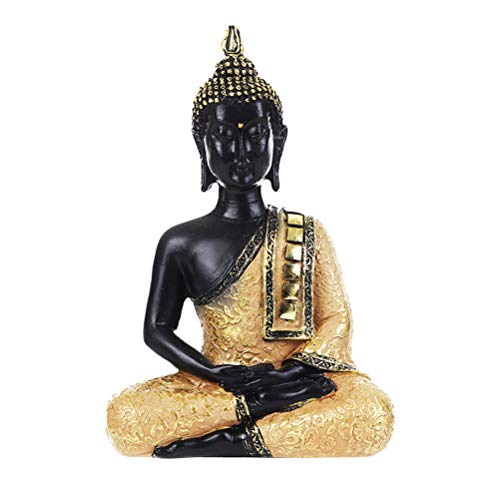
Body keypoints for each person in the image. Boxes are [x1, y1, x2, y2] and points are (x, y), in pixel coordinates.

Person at [106, 26, 394, 458]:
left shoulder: (306, 231)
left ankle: (229, 439)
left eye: (256, 134)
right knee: (126, 417)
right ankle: (256, 414)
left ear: (278, 143)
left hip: (298, 381)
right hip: (219, 382)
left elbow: (336, 318)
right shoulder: (181, 241)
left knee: (371, 414)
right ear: (202, 146)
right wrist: (216, 374)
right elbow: (157, 329)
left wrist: (294, 371)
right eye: (225, 137)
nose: (241, 150)